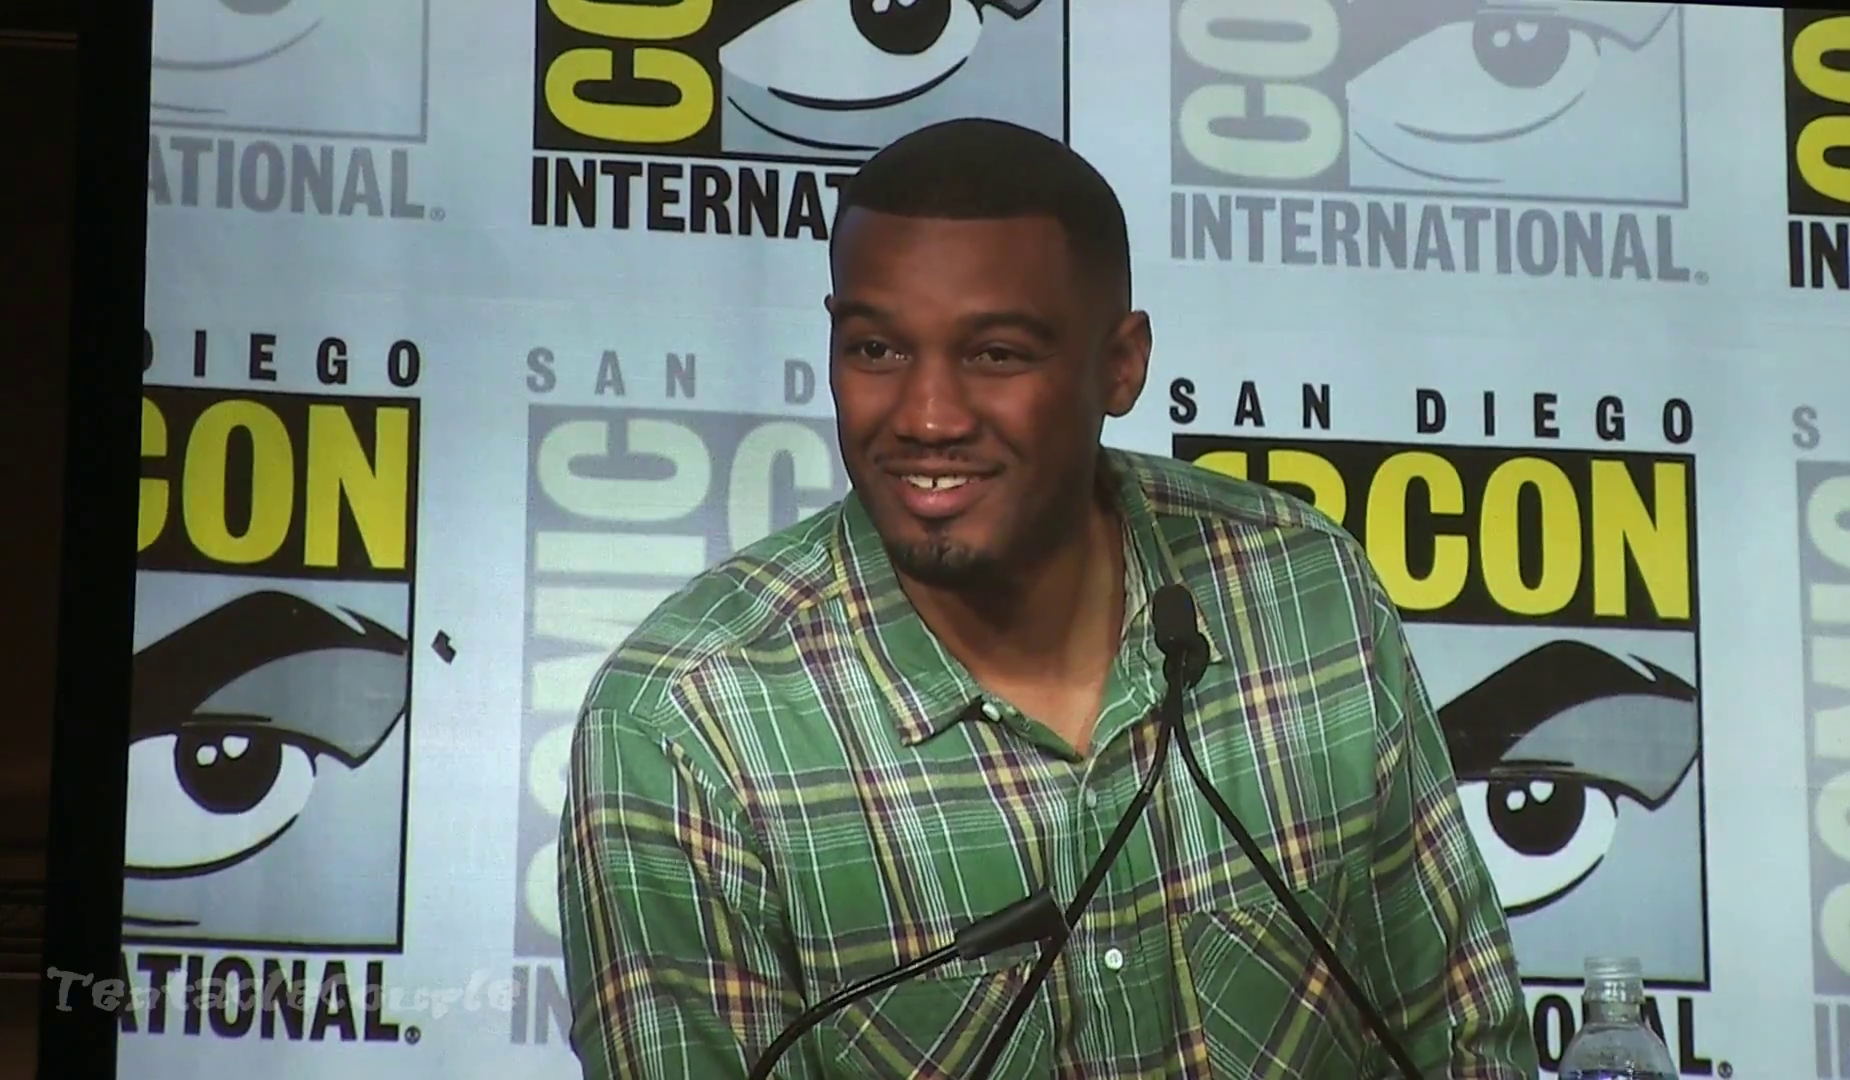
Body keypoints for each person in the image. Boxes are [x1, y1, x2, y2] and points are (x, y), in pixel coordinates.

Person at [558, 117, 1538, 1080]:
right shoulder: (683, 727)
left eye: (995, 354)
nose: (927, 417)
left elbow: (1461, 1034)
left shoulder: (1305, 588)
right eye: (877, 350)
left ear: (1120, 365)